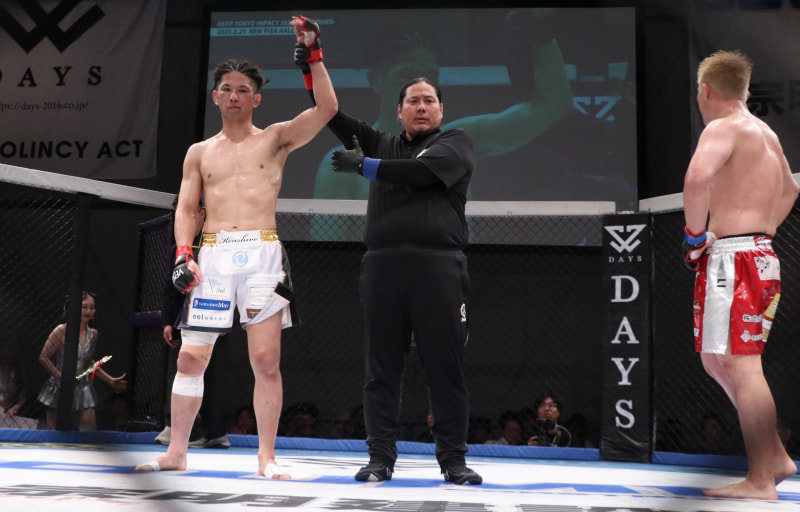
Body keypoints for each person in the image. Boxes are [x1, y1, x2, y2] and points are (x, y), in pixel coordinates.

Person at [135, 16, 336, 479]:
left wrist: (314, 55)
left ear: (256, 98)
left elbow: (326, 108)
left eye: (243, 89)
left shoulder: (276, 138)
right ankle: (176, 452)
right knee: (191, 357)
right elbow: (187, 208)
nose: (233, 95)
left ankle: (266, 458)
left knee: (265, 360)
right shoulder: (199, 152)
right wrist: (183, 252)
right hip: (213, 255)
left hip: (262, 255)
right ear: (215, 96)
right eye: (226, 88)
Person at [310, 39, 481, 480]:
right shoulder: (381, 142)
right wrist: (313, 59)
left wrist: (365, 166)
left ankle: (454, 461)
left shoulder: (456, 141)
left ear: (441, 109)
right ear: (399, 110)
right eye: (413, 101)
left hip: (438, 268)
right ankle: (380, 459)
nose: (421, 107)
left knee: (445, 368)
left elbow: (421, 173)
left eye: (429, 100)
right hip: (383, 268)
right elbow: (329, 112)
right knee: (380, 369)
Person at [309, 9, 571, 239]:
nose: (420, 87)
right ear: (376, 80)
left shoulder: (461, 141)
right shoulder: (341, 165)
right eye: (407, 75)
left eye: (430, 77)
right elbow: (326, 260)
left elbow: (552, 105)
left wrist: (542, 30)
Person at [683, 50, 798, 499]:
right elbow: (790, 189)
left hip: (736, 258)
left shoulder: (723, 127)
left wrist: (695, 237)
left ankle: (761, 479)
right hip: (756, 254)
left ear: (706, 91)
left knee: (743, 366)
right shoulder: (766, 133)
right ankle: (775, 457)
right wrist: (761, 231)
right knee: (716, 360)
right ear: (746, 92)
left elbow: (697, 179)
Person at [155, 196, 230, 448]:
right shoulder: (178, 248)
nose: (181, 220)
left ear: (202, 213)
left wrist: (225, 319)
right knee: (185, 369)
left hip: (213, 315)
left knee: (201, 372)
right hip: (184, 318)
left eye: (185, 213)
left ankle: (204, 431)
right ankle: (188, 430)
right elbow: (170, 288)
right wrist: (168, 322)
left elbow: (231, 284)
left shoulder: (218, 244)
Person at [37, 291, 127, 430]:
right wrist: (59, 375)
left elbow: (88, 362)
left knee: (88, 426)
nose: (88, 311)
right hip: (60, 384)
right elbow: (43, 357)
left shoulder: (93, 334)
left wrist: (110, 380)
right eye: (84, 307)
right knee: (54, 430)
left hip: (82, 385)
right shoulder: (62, 330)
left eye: (92, 307)